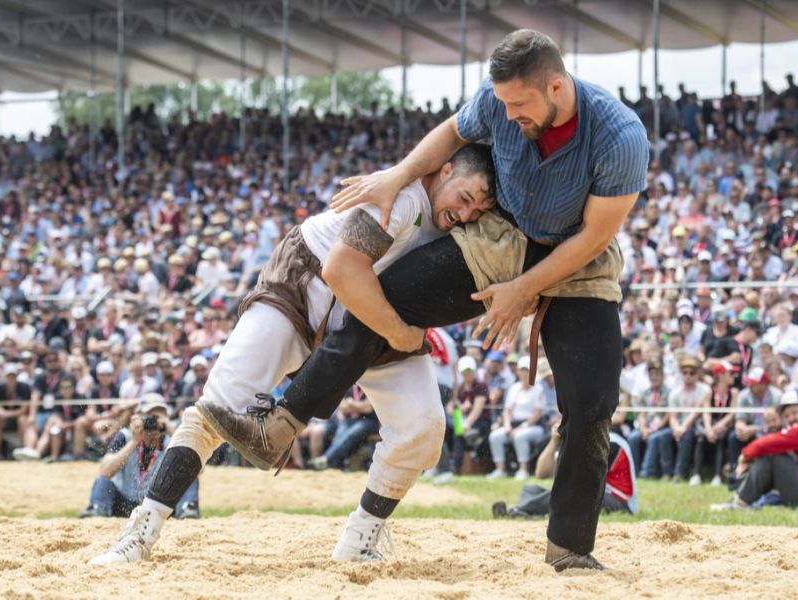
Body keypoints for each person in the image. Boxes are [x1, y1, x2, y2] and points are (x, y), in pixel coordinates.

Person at [273, 28, 648, 572]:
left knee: (592, 406)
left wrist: (524, 290)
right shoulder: (499, 101)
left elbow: (592, 238)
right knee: (386, 297)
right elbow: (452, 130)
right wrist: (397, 175)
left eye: (521, 105)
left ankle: (570, 548)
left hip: (578, 261)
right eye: (503, 103)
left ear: (558, 88)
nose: (509, 115)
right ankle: (285, 418)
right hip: (502, 235)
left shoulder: (620, 136)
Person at [87, 144, 496, 565]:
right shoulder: (403, 196)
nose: (466, 215)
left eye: (478, 212)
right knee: (216, 407)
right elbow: (340, 270)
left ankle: (359, 540)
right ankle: (141, 530)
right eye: (465, 199)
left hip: (370, 316)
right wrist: (402, 334)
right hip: (307, 287)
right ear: (444, 170)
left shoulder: (452, 224)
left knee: (422, 427)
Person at [713, 391, 798, 513]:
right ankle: (741, 498)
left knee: (772, 456)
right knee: (777, 455)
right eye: (787, 416)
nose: (791, 419)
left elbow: (769, 442)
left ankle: (740, 502)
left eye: (795, 413)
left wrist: (745, 456)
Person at [80, 394, 199, 519]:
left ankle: (187, 510)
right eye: (149, 416)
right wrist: (134, 442)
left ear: (166, 418)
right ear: (138, 417)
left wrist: (172, 432)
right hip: (125, 501)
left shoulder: (173, 440)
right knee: (102, 482)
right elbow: (104, 471)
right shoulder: (125, 436)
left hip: (160, 504)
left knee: (190, 478)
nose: (153, 421)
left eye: (158, 417)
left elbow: (197, 469)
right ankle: (98, 509)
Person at [491, 423, 637, 517]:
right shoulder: (581, 439)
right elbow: (541, 473)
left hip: (620, 502)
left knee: (569, 492)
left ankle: (519, 510)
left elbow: (577, 481)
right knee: (530, 489)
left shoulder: (609, 442)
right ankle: (528, 511)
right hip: (598, 494)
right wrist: (554, 440)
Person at [486, 356, 544, 480]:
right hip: (513, 424)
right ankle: (500, 469)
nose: (524, 373)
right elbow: (507, 410)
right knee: (495, 436)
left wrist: (522, 427)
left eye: (527, 370)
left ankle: (523, 469)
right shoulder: (514, 388)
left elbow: (538, 413)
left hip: (534, 426)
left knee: (519, 436)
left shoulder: (538, 389)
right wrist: (507, 425)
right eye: (522, 370)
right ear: (518, 371)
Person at [626, 359, 673, 479]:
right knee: (633, 437)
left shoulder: (669, 392)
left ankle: (647, 472)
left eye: (657, 374)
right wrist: (643, 429)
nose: (654, 377)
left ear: (663, 375)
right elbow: (641, 413)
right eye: (652, 374)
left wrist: (654, 428)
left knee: (653, 438)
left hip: (663, 426)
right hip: (646, 426)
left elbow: (669, 414)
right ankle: (633, 472)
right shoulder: (645, 392)